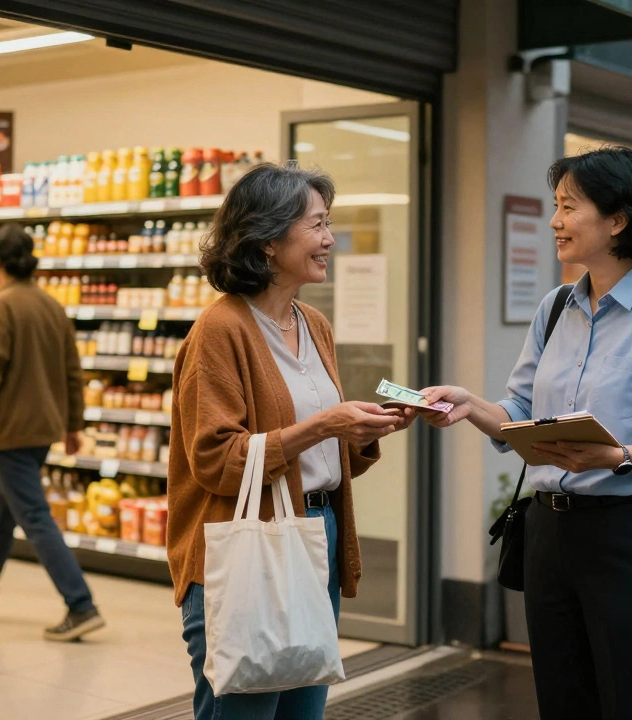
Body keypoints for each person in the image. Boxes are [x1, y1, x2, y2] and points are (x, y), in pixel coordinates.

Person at [422, 146, 632, 720]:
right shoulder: (556, 306)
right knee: (563, 703)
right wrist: (468, 404)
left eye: (568, 207)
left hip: (630, 540)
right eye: (555, 206)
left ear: (617, 220)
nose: (555, 220)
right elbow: (520, 411)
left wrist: (617, 456)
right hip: (549, 536)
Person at [168, 163, 415, 720]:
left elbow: (317, 454)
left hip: (316, 536)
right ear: (268, 240)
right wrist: (325, 425)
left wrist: (366, 429)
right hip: (247, 545)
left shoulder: (313, 324)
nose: (330, 239)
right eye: (318, 225)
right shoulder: (220, 329)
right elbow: (216, 460)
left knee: (304, 711)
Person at [0, 223, 105, 642]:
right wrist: (73, 424)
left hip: (12, 430)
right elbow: (73, 373)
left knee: (33, 516)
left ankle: (81, 605)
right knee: (2, 512)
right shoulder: (51, 305)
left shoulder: (1, 307)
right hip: (43, 430)